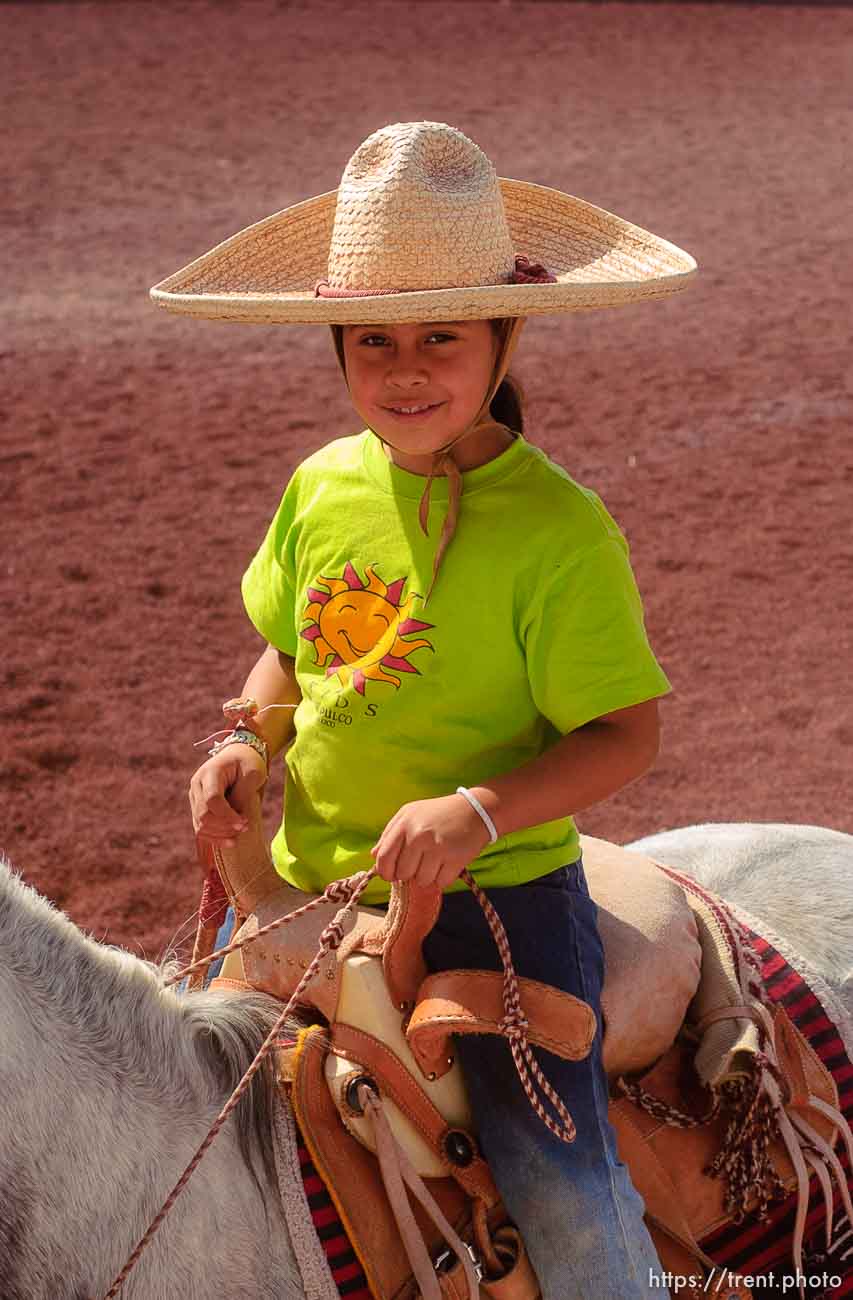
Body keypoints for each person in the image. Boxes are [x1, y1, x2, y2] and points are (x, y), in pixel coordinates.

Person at [154, 120, 696, 1298]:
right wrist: (249, 736)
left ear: (505, 338)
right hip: (300, 879)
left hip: (492, 901)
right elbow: (290, 650)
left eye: (440, 336)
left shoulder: (559, 532)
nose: (405, 370)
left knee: (553, 1176)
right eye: (372, 342)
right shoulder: (320, 484)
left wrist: (475, 814)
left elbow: (626, 733)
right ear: (336, 348)